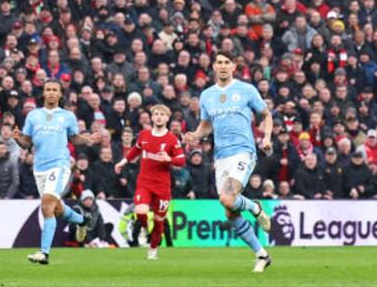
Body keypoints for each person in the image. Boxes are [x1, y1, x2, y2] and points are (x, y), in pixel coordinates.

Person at [183, 50, 274, 272]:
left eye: (227, 62)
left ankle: (255, 207)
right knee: (229, 210)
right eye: (219, 62)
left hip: (243, 151)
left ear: (234, 66)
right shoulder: (207, 95)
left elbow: (266, 115)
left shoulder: (246, 90)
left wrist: (267, 138)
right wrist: (195, 135)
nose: (222, 66)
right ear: (213, 67)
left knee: (227, 198)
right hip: (221, 156)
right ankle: (261, 255)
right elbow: (206, 125)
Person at [13, 80, 97, 266]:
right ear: (43, 93)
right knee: (55, 208)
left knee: (46, 206)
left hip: (59, 165)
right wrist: (19, 140)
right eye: (48, 90)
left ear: (60, 94)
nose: (51, 93)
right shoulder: (33, 116)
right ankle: (82, 220)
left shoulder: (67, 116)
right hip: (39, 168)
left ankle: (44, 253)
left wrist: (88, 139)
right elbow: (27, 143)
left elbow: (74, 139)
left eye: (55, 90)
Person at [115, 103, 184, 260]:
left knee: (159, 221)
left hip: (162, 186)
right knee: (141, 212)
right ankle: (144, 230)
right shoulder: (144, 135)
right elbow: (136, 150)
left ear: (167, 118)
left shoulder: (172, 139)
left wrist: (169, 159)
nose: (159, 116)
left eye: (162, 114)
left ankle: (153, 249)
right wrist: (122, 162)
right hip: (144, 183)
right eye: (156, 114)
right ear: (152, 117)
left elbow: (181, 161)